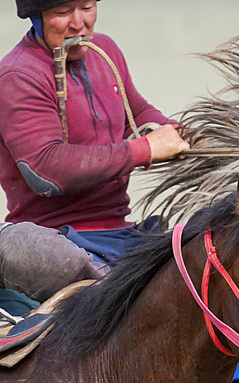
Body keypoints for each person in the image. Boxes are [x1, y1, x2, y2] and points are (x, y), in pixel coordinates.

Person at [0, 0, 189, 299]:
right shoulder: (18, 74)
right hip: (55, 241)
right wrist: (144, 150)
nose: (78, 23)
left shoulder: (105, 51)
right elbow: (46, 169)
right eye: (63, 13)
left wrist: (187, 135)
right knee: (27, 250)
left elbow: (137, 114)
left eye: (86, 7)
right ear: (36, 18)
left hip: (122, 233)